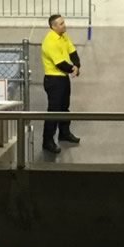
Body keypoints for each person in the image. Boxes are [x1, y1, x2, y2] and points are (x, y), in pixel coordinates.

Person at [39, 13, 81, 155]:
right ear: (54, 26)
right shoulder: (50, 41)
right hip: (54, 80)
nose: (65, 25)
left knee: (64, 108)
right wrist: (72, 69)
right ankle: (47, 141)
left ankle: (64, 133)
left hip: (63, 79)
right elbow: (59, 63)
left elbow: (72, 50)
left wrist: (77, 65)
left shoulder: (63, 36)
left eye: (64, 22)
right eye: (61, 23)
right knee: (54, 111)